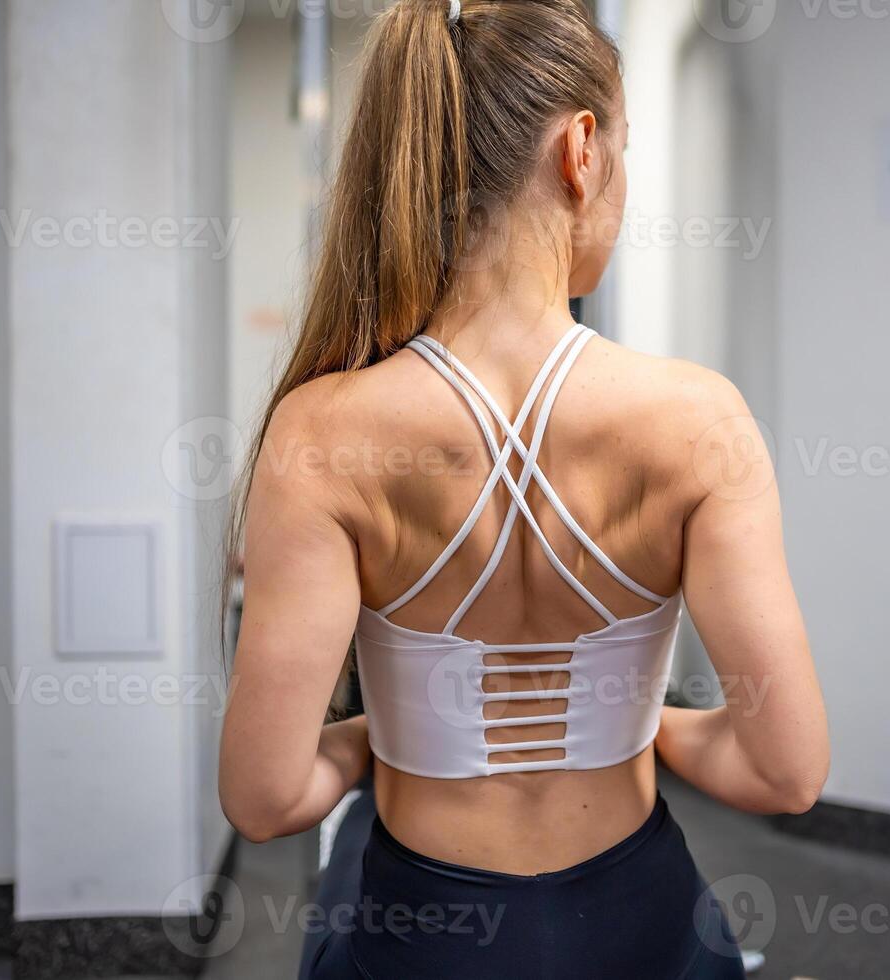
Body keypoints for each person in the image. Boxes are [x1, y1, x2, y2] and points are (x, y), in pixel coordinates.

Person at [217, 1, 829, 976]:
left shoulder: (322, 433)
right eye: (624, 152)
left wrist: (405, 723)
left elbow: (266, 795)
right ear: (581, 152)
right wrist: (626, 714)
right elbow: (785, 770)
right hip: (642, 921)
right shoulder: (699, 420)